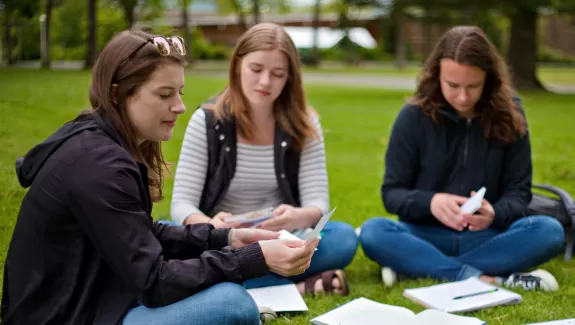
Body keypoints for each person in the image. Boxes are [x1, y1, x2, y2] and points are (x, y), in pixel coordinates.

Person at [0, 30, 320, 325]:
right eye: (165, 94)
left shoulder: (103, 142)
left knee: (234, 291)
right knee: (232, 304)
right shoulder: (100, 164)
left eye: (179, 92)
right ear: (117, 95)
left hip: (99, 294)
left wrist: (228, 238)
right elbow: (155, 281)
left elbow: (141, 233)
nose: (180, 107)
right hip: (66, 315)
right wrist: (251, 259)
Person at [358, 26, 565, 292]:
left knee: (549, 230)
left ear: (488, 79)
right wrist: (431, 202)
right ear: (437, 75)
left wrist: (494, 213)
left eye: (473, 86)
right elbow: (392, 194)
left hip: (487, 237)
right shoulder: (413, 116)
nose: (463, 97)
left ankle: (424, 267)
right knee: (374, 232)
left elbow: (519, 192)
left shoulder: (510, 115)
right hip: (425, 234)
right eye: (452, 85)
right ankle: (487, 278)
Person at [170, 22, 358, 298]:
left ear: (289, 78)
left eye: (278, 74)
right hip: (224, 242)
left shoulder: (305, 124)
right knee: (173, 238)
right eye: (256, 69)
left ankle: (229, 285)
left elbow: (318, 204)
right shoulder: (208, 121)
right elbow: (182, 204)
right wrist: (212, 226)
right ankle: (295, 286)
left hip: (282, 240)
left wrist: (295, 216)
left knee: (342, 238)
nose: (266, 82)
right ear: (237, 66)